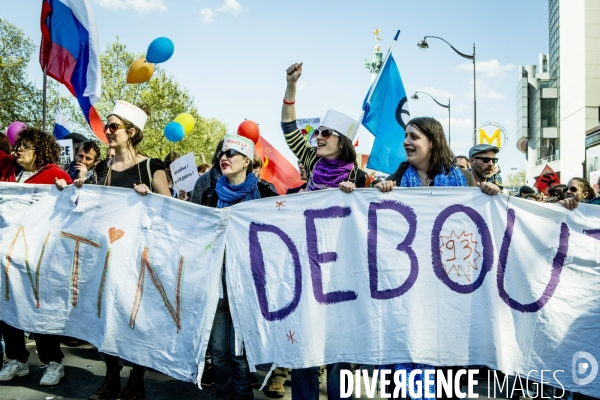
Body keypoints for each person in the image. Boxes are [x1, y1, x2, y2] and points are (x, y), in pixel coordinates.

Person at [58, 100, 170, 400]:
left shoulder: (151, 166)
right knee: (106, 315)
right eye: (106, 126)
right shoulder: (104, 168)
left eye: (113, 126)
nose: (107, 131)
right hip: (105, 256)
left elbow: (172, 208)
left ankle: (136, 380)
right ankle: (110, 378)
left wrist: (152, 197)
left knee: (133, 317)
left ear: (131, 132)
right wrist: (70, 189)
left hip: (138, 258)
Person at [282, 62, 370, 400]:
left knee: (338, 349)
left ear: (343, 142)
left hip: (343, 276)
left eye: (325, 133)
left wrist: (361, 195)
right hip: (307, 269)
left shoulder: (361, 180)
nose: (317, 137)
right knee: (305, 346)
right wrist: (291, 85)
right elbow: (289, 126)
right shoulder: (310, 162)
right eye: (317, 132)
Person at [191, 134, 278, 400]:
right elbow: (191, 226)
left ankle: (242, 397)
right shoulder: (207, 191)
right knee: (217, 352)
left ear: (247, 161)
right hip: (215, 281)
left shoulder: (265, 193)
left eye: (231, 154)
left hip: (248, 284)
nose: (223, 158)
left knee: (239, 355)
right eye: (222, 154)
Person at [0, 127, 72, 387]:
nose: (17, 150)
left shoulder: (56, 175)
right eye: (17, 145)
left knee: (40, 308)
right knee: (8, 307)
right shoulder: (8, 168)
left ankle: (53, 362)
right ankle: (17, 360)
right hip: (7, 258)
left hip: (39, 258)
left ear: (39, 151)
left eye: (24, 146)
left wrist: (68, 190)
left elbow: (75, 209)